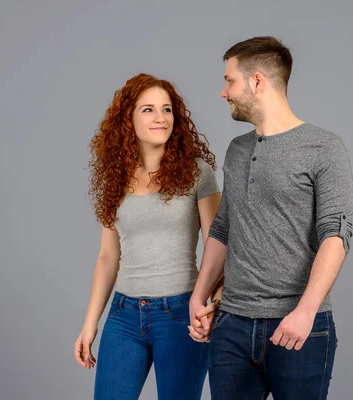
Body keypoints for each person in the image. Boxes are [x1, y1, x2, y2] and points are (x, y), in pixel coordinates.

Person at [188, 36, 353, 399]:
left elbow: (336, 236)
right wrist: (199, 297)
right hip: (231, 326)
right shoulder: (237, 150)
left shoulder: (324, 148)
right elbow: (223, 228)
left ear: (257, 82)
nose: (223, 91)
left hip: (299, 328)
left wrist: (305, 312)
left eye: (229, 80)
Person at [74, 73, 223, 400]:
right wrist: (90, 324)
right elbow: (107, 257)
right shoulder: (115, 178)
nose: (160, 118)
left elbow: (219, 246)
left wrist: (218, 304)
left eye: (167, 109)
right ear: (128, 118)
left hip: (182, 313)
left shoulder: (198, 173)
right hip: (124, 316)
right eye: (148, 109)